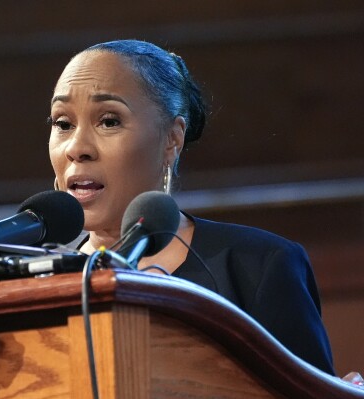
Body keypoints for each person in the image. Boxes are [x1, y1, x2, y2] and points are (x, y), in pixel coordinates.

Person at [47, 39, 335, 375]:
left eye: (109, 121)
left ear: (172, 139)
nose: (76, 148)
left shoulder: (257, 267)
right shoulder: (30, 281)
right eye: (63, 123)